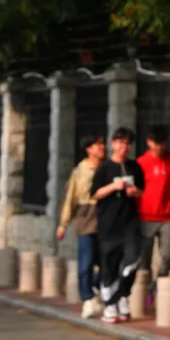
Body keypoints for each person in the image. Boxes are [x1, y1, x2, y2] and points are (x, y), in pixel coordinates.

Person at [90, 126, 144, 323]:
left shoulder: (134, 167)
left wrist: (134, 191)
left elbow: (142, 190)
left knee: (132, 261)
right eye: (120, 143)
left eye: (127, 143)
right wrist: (113, 186)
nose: (124, 147)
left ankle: (121, 294)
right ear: (113, 144)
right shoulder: (104, 169)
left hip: (129, 223)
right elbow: (94, 194)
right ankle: (111, 305)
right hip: (108, 224)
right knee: (109, 266)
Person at [56, 132, 106, 318]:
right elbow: (70, 199)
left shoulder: (108, 168)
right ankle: (87, 298)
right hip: (86, 217)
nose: (102, 148)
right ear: (88, 150)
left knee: (106, 262)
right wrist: (63, 224)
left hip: (105, 217)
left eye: (102, 144)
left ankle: (96, 287)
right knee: (85, 262)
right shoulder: (79, 172)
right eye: (97, 145)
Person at [138, 124, 170, 280]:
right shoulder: (141, 163)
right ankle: (147, 293)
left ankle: (158, 286)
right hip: (146, 217)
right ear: (149, 142)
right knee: (144, 260)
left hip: (167, 217)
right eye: (157, 144)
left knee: (168, 256)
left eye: (163, 143)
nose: (160, 147)